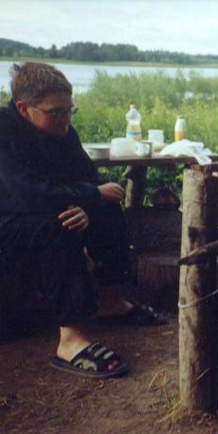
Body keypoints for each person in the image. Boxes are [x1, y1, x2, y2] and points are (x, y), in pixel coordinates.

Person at [0, 62, 165, 379]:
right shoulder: (4, 130)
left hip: (41, 206)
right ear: (23, 108)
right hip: (10, 215)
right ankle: (70, 340)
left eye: (69, 110)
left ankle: (109, 300)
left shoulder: (62, 131)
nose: (66, 119)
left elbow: (88, 179)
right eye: (56, 112)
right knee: (60, 225)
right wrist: (85, 197)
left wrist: (86, 204)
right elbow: (24, 194)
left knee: (106, 209)